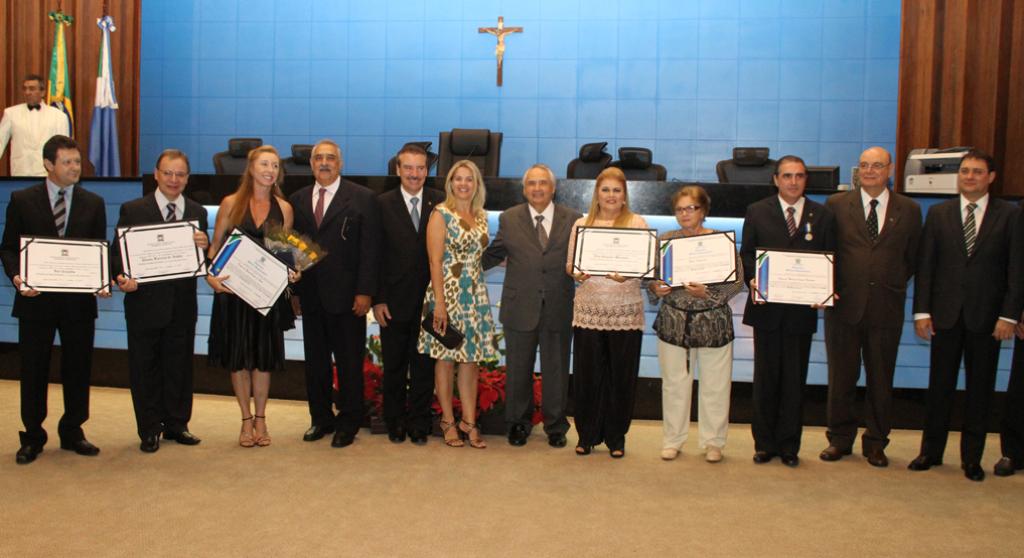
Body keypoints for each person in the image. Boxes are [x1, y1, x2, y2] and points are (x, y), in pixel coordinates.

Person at [909, 149, 1023, 482]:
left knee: (979, 390)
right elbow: (926, 267)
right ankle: (930, 451)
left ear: (991, 177)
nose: (969, 177)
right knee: (939, 386)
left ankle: (971, 458)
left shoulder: (1010, 216)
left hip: (988, 319)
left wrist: (1010, 316)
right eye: (964, 171)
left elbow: (1016, 270)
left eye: (976, 172)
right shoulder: (940, 214)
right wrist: (921, 311)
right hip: (944, 315)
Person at [0, 135, 107, 464]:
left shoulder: (94, 203)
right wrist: (18, 278)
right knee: (34, 369)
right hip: (36, 301)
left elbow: (99, 250)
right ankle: (33, 435)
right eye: (67, 162)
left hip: (78, 305)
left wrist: (101, 279)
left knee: (78, 368)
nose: (75, 168)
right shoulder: (21, 199)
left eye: (77, 162)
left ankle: (73, 430)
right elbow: (8, 249)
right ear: (48, 165)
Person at [819, 147, 921, 468]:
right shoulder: (836, 205)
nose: (870, 171)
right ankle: (839, 439)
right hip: (843, 306)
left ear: (889, 170)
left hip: (886, 307)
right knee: (842, 377)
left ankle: (876, 442)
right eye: (864, 165)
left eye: (877, 165)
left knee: (881, 378)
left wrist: (884, 281)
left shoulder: (910, 208)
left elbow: (912, 259)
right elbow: (827, 252)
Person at [111, 149, 209, 453]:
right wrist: (121, 277)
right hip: (144, 304)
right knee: (145, 367)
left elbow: (200, 260)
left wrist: (204, 246)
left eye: (180, 174)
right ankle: (150, 428)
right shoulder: (133, 209)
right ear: (156, 174)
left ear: (188, 178)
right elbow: (118, 254)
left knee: (180, 366)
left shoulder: (197, 212)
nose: (174, 180)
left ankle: (178, 424)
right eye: (168, 173)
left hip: (182, 305)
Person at [741, 155, 835, 467]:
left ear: (806, 179)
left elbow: (830, 257)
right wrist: (753, 281)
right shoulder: (757, 211)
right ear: (776, 179)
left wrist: (825, 290)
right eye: (787, 176)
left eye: (799, 176)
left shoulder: (821, 215)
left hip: (801, 312)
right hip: (766, 309)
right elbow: (748, 255)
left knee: (795, 381)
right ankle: (764, 444)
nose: (793, 182)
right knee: (766, 379)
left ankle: (789, 445)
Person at [483, 164, 582, 448]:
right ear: (524, 189)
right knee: (517, 369)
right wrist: (461, 263)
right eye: (532, 184)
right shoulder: (509, 218)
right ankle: (518, 424)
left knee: (557, 370)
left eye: (543, 183)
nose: (537, 189)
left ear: (553, 188)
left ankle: (555, 426)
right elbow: (495, 253)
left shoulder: (574, 219)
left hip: (558, 304)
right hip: (519, 305)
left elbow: (581, 258)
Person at [290, 140, 381, 448]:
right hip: (311, 296)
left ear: (340, 163)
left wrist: (365, 291)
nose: (324, 163)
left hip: (348, 297)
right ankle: (320, 419)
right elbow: (293, 251)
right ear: (311, 164)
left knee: (349, 363)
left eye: (330, 158)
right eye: (319, 158)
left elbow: (370, 250)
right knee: (315, 363)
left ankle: (349, 421)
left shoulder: (362, 198)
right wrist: (294, 293)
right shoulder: (298, 199)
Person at [206, 145, 297, 448]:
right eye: (264, 165)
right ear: (251, 168)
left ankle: (261, 417)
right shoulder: (230, 204)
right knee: (238, 358)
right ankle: (245, 419)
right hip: (233, 294)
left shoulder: (283, 208)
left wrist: (291, 273)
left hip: (265, 295)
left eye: (274, 166)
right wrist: (210, 276)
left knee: (263, 359)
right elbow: (215, 248)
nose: (270, 170)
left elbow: (286, 254)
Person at [648, 185, 743, 463]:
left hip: (713, 322)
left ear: (704, 210)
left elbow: (737, 280)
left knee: (716, 384)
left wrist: (709, 294)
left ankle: (714, 442)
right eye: (680, 209)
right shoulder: (667, 240)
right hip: (674, 321)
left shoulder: (721, 241)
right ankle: (672, 440)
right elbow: (650, 279)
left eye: (691, 208)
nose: (685, 214)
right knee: (674, 384)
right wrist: (656, 288)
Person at [565, 167, 649, 458]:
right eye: (605, 190)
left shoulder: (637, 223)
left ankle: (616, 438)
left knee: (621, 377)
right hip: (589, 310)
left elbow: (647, 268)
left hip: (625, 312)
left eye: (616, 190)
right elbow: (570, 265)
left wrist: (630, 274)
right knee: (588, 376)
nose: (611, 196)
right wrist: (577, 274)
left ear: (624, 195)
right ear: (596, 194)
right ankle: (586, 435)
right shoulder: (581, 224)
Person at [418, 160, 499, 449]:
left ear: (477, 184)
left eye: (470, 179)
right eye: (458, 179)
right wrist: (439, 304)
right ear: (450, 183)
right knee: (446, 357)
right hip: (448, 294)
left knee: (471, 360)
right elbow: (435, 261)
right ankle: (448, 421)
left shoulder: (481, 216)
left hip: (475, 294)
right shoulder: (441, 214)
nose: (463, 184)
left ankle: (469, 421)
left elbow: (481, 256)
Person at [373, 144, 444, 445]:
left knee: (424, 365)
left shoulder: (440, 202)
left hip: (428, 300)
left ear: (427, 171)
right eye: (409, 168)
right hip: (393, 300)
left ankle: (419, 421)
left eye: (420, 168)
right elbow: (373, 254)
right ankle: (394, 420)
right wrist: (377, 298)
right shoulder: (381, 203)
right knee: (395, 365)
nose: (415, 174)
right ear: (398, 169)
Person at [0, 74, 70, 176]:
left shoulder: (59, 116)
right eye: (25, 89)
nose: (27, 92)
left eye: (32, 89)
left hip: (48, 175)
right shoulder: (11, 114)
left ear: (42, 92)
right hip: (20, 173)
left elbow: (64, 150)